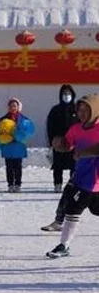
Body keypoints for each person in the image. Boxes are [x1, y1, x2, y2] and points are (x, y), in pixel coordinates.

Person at [46, 94, 99, 258]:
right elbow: (68, 144)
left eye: (86, 110)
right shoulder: (76, 128)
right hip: (83, 179)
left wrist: (84, 152)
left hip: (96, 181)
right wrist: (59, 144)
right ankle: (64, 245)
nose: (82, 113)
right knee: (72, 212)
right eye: (80, 110)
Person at [0, 98, 35, 193]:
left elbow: (28, 131)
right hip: (8, 146)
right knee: (9, 166)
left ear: (18, 107)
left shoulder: (24, 119)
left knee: (18, 166)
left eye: (15, 106)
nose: (13, 108)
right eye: (11, 106)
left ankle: (18, 184)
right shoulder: (3, 119)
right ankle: (10, 184)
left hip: (19, 146)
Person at [47, 84, 78, 193]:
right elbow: (50, 126)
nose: (66, 96)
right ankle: (57, 184)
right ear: (60, 95)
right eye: (64, 93)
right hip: (59, 141)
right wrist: (52, 140)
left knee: (74, 165)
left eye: (69, 93)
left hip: (74, 142)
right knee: (57, 165)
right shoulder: (55, 110)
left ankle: (72, 185)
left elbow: (82, 125)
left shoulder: (77, 109)